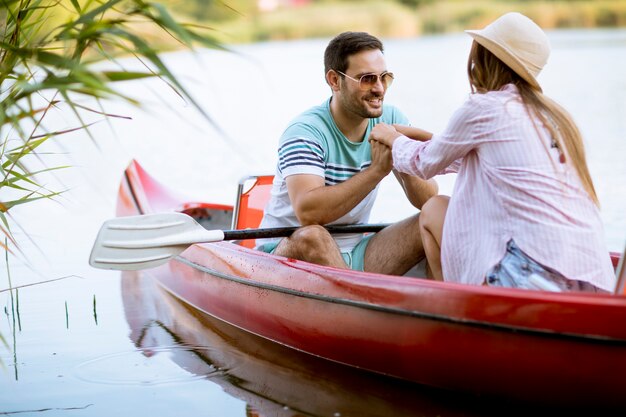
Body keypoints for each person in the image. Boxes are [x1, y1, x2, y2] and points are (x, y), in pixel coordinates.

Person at [369, 13, 615, 292]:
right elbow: (484, 160)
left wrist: (390, 137)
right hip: (591, 278)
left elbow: (423, 164)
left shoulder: (485, 107)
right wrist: (429, 138)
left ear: (484, 57)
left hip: (529, 277)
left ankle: (452, 313)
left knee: (434, 209)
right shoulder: (550, 116)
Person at [257, 31, 438, 275]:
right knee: (314, 236)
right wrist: (376, 171)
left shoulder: (392, 119)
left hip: (358, 252)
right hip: (286, 255)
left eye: (384, 78)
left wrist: (402, 151)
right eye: (367, 79)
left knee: (436, 214)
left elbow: (427, 199)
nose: (379, 89)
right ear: (334, 80)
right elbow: (309, 213)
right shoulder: (304, 131)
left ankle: (444, 309)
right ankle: (361, 306)